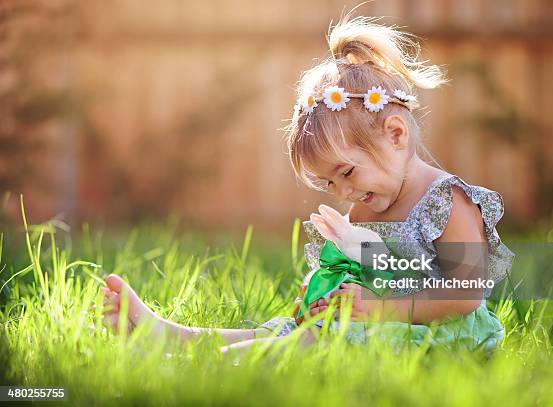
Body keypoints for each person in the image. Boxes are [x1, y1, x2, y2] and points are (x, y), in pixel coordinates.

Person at [102, 15, 514, 354]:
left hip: (443, 340)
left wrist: (380, 309)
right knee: (288, 331)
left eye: (347, 173)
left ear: (396, 134)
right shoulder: (366, 208)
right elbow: (363, 275)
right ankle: (171, 337)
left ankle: (219, 363)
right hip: (379, 328)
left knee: (317, 345)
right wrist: (326, 301)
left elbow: (465, 296)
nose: (343, 192)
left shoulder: (447, 201)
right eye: (329, 182)